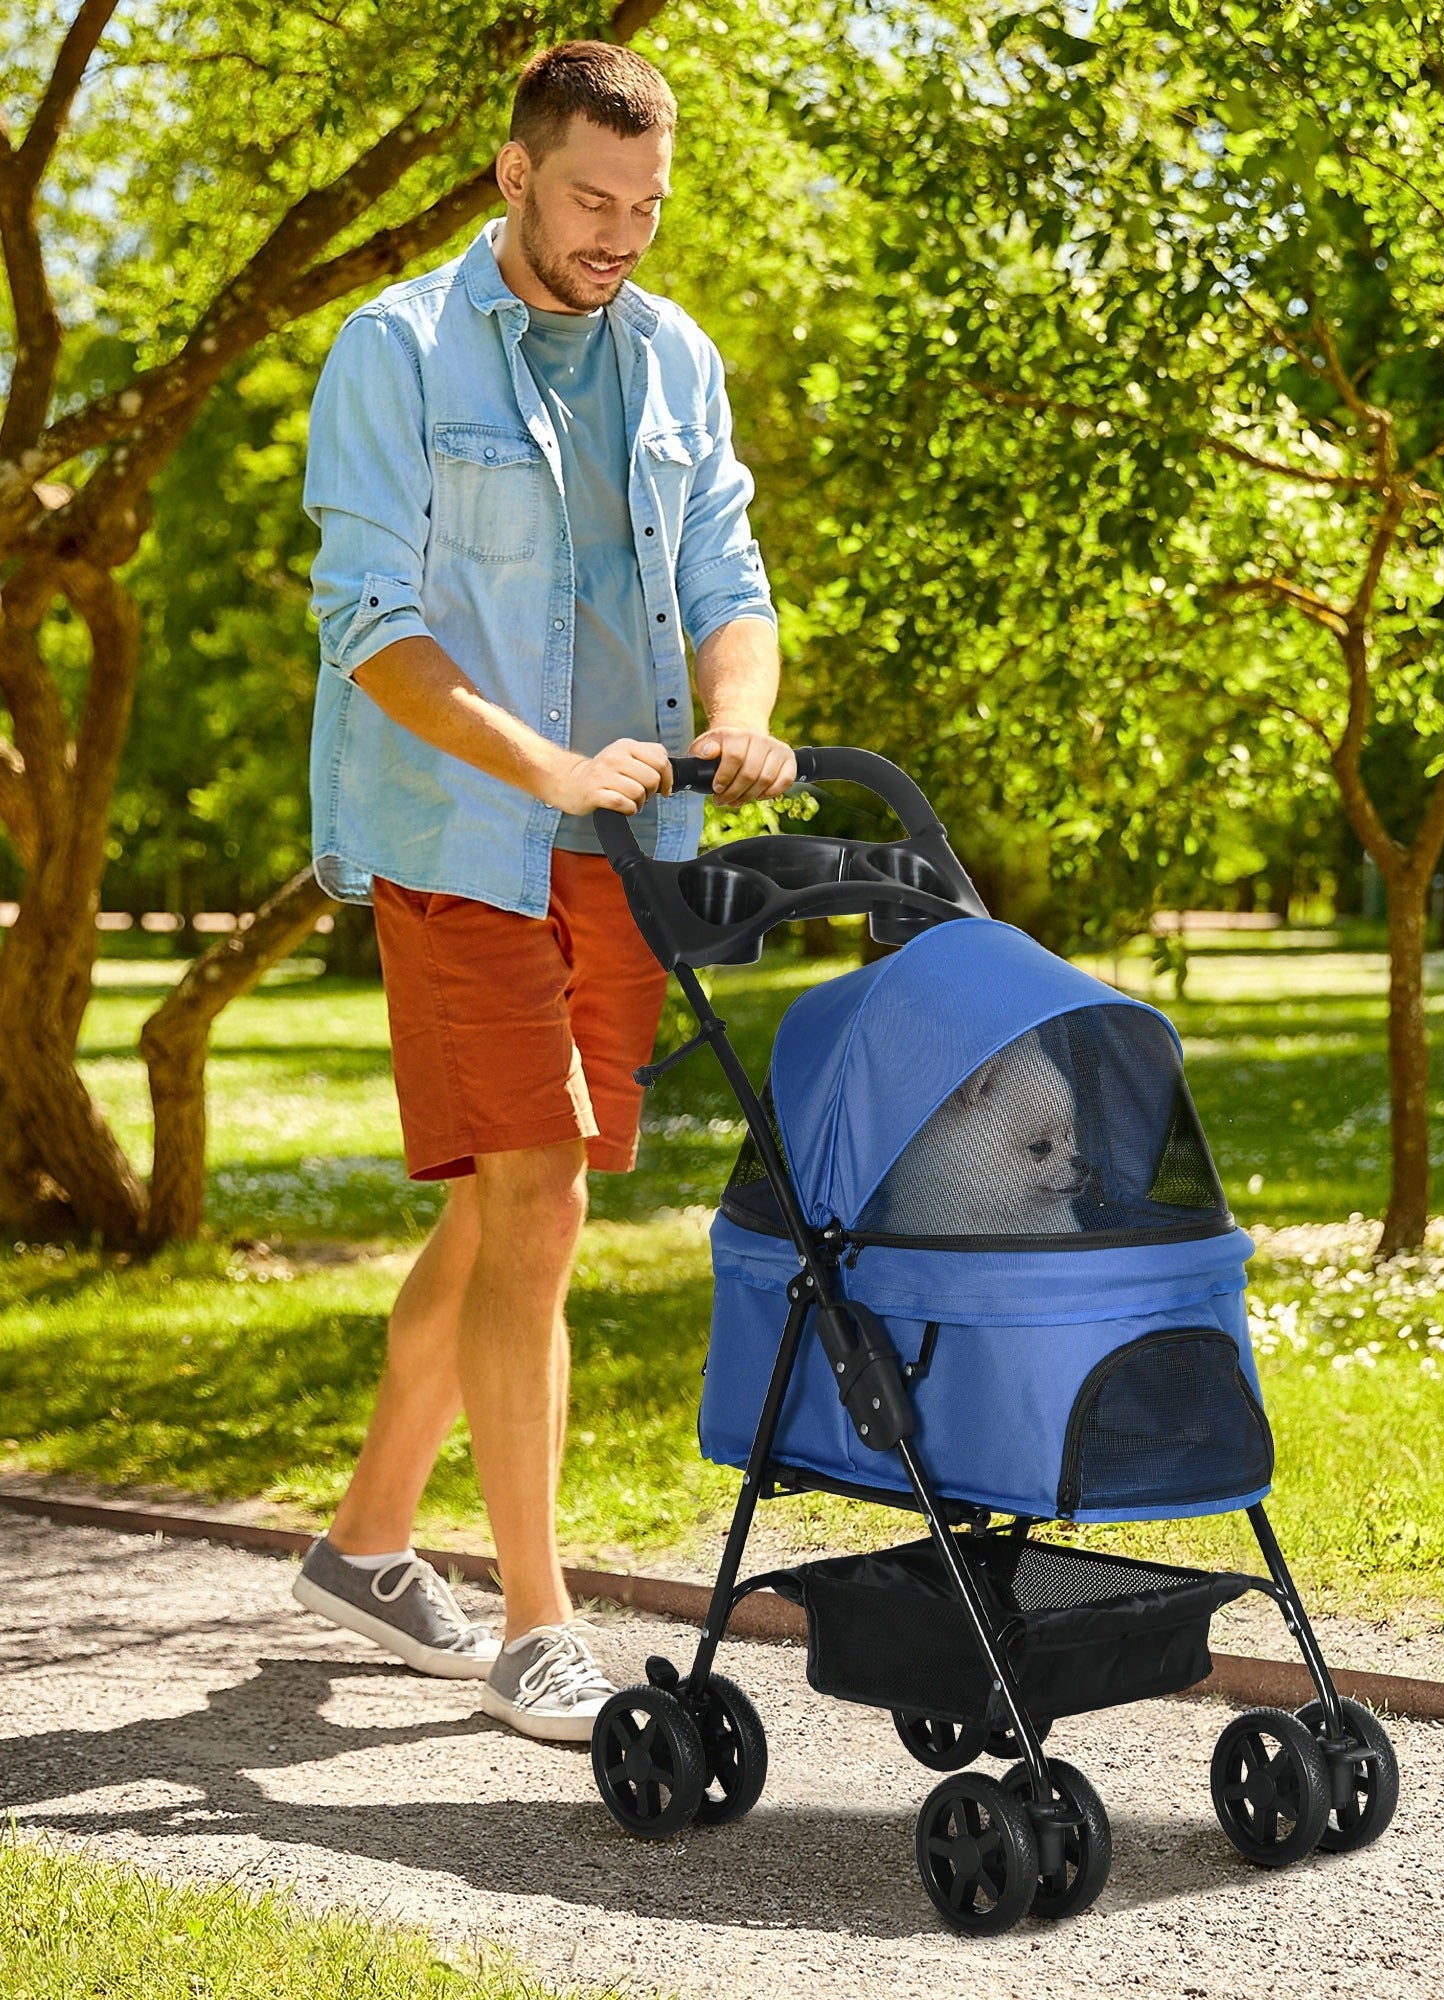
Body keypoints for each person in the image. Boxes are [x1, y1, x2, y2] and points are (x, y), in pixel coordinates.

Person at [291, 40, 794, 1741]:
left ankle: (366, 1547)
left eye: (648, 209)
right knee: (544, 1206)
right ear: (515, 174)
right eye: (593, 200)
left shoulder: (671, 360)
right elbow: (370, 625)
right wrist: (554, 769)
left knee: (509, 1202)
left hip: (628, 850)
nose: (621, 238)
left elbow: (726, 571)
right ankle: (535, 1623)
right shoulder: (399, 352)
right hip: (465, 841)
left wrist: (739, 719)